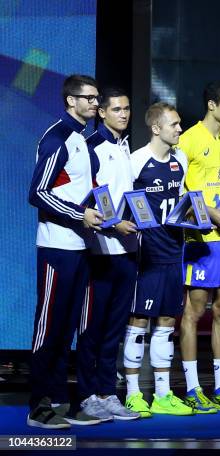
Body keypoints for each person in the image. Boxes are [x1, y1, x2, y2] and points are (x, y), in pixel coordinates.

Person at [27, 74, 104, 428]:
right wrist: (80, 214)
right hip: (56, 248)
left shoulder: (83, 141)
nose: (94, 103)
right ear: (70, 101)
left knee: (70, 327)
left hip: (80, 247)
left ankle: (59, 399)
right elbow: (38, 193)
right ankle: (38, 405)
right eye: (88, 98)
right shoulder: (57, 137)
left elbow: (81, 190)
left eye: (96, 97)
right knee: (49, 327)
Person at [179, 81, 220, 413]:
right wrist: (211, 212)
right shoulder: (188, 140)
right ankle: (193, 388)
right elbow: (179, 196)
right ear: (212, 105)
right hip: (200, 239)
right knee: (193, 312)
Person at [122, 102, 193, 417]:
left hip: (174, 252)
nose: (179, 129)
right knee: (138, 321)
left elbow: (183, 204)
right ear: (156, 128)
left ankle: (163, 395)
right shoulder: (135, 162)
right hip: (146, 254)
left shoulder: (181, 160)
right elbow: (122, 205)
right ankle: (133, 394)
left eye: (179, 124)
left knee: (166, 322)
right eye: (174, 124)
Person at [76, 87, 140, 421]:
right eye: (116, 109)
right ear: (101, 112)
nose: (124, 114)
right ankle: (87, 395)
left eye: (127, 109)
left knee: (114, 328)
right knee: (92, 328)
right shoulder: (91, 148)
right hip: (99, 251)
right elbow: (86, 200)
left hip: (128, 251)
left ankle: (107, 393)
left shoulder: (125, 146)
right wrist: (115, 225)